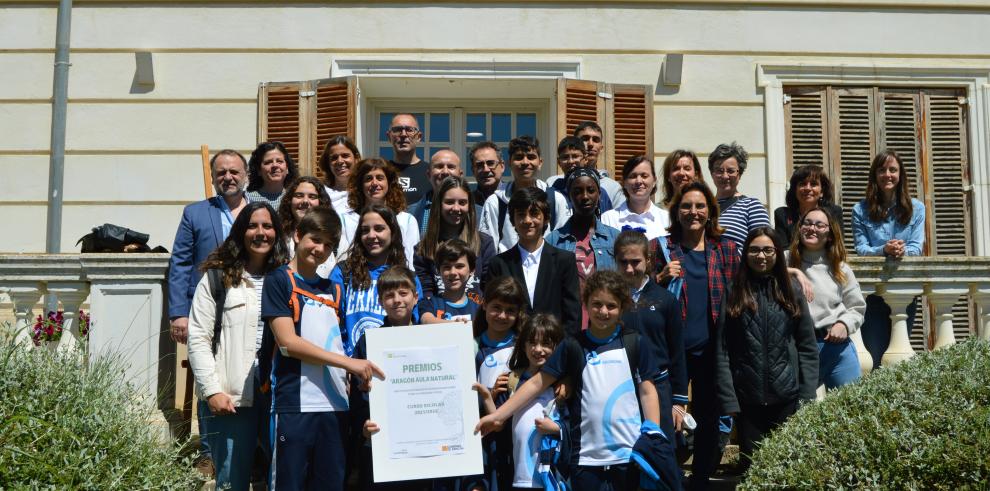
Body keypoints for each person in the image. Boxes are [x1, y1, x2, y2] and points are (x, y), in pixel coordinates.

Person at [475, 271, 662, 491]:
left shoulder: (634, 343)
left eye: (611, 306)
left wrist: (653, 436)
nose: (603, 311)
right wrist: (498, 415)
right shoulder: (573, 345)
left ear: (622, 307)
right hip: (584, 457)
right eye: (597, 304)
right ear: (585, 304)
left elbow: (648, 392)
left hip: (628, 453)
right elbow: (537, 383)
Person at [261, 207, 383, 491]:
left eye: (328, 244)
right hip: (294, 404)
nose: (320, 249)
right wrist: (348, 363)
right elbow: (288, 343)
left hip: (336, 406)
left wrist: (357, 374)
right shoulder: (279, 280)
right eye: (315, 239)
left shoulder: (335, 288)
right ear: (297, 235)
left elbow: (338, 341)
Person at [187, 202, 289, 491]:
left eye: (267, 226)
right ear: (240, 232)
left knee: (280, 476)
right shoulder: (218, 277)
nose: (260, 233)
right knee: (232, 478)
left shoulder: (286, 276)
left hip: (278, 392)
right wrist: (212, 390)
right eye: (253, 226)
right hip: (230, 395)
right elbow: (198, 337)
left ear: (277, 232)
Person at [168, 148, 250, 474]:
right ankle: (209, 451)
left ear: (246, 176)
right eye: (221, 173)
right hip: (207, 309)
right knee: (208, 377)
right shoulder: (195, 213)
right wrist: (178, 312)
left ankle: (248, 448)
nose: (228, 177)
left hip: (249, 307)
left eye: (234, 172)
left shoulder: (258, 211)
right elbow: (180, 264)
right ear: (214, 178)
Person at [654, 180, 739, 489]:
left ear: (710, 211)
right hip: (672, 349)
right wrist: (659, 277)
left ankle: (701, 478)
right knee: (668, 417)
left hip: (711, 349)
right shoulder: (661, 247)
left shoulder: (725, 248)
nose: (693, 212)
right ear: (677, 211)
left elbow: (742, 293)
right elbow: (640, 293)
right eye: (687, 206)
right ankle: (672, 475)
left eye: (700, 206)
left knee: (708, 417)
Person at [715, 227, 818, 471]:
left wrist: (806, 394)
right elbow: (722, 349)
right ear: (746, 253)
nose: (761, 256)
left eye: (768, 250)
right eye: (755, 250)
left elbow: (807, 346)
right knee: (753, 469)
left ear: (777, 253)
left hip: (787, 399)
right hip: (747, 400)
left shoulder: (791, 290)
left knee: (788, 468)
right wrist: (729, 399)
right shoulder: (733, 291)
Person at [351, 266, 433, 491]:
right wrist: (362, 425)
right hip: (381, 443)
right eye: (389, 295)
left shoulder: (432, 340)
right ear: (380, 301)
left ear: (416, 297)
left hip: (426, 446)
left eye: (403, 293)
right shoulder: (369, 342)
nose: (397, 300)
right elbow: (357, 393)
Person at [852, 149, 926, 368]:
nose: (888, 175)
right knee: (874, 356)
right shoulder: (860, 209)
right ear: (875, 175)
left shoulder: (917, 208)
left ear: (901, 175)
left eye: (893, 170)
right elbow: (861, 249)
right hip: (872, 294)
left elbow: (916, 246)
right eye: (882, 170)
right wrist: (883, 250)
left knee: (899, 357)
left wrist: (902, 251)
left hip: (904, 291)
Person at [474, 313, 566, 490]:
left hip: (553, 478)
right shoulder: (512, 380)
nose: (538, 349)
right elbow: (499, 424)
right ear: (523, 345)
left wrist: (556, 428)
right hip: (519, 478)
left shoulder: (563, 384)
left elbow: (575, 425)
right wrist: (487, 397)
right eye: (532, 342)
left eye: (546, 344)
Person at [614, 230, 688, 439]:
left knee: (659, 451)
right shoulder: (610, 302)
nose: (629, 269)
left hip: (660, 387)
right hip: (620, 388)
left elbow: (677, 352)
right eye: (623, 262)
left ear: (648, 260)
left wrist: (679, 401)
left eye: (635, 262)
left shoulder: (665, 300)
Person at [485, 186, 582, 336]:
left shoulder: (564, 261)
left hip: (554, 348)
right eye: (521, 215)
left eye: (534, 214)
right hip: (510, 349)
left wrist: (561, 350)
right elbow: (494, 312)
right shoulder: (499, 264)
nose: (527, 220)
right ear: (513, 220)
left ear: (546, 218)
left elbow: (573, 315)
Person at [330, 205, 424, 356]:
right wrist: (347, 362)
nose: (371, 235)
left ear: (392, 233)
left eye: (379, 229)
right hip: (353, 365)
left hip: (399, 362)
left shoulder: (409, 278)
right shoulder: (343, 273)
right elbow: (333, 324)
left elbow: (418, 325)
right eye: (365, 230)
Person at [788, 207, 866, 389]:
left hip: (835, 348)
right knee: (795, 412)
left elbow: (857, 308)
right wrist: (793, 271)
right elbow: (756, 272)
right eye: (807, 223)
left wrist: (844, 324)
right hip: (798, 349)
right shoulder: (784, 260)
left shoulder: (841, 268)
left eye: (819, 225)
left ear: (830, 234)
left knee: (852, 408)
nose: (811, 228)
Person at [465, 275, 528, 491]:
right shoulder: (471, 346)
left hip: (518, 435)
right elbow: (462, 396)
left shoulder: (525, 345)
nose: (502, 315)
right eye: (496, 308)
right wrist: (489, 396)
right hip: (485, 438)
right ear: (484, 305)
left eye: (510, 310)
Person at [547, 167, 620, 329]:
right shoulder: (553, 240)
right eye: (578, 191)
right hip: (567, 325)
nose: (585, 196)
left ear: (599, 194)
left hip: (606, 324)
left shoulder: (615, 238)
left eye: (591, 190)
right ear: (569, 196)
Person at [479, 136, 571, 252]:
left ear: (540, 163)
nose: (525, 162)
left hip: (548, 268)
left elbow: (563, 243)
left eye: (531, 157)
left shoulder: (556, 199)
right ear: (509, 163)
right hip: (507, 268)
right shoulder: (495, 202)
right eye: (519, 157)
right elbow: (488, 247)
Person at [414, 176, 495, 299]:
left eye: (462, 202)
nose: (456, 208)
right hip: (438, 316)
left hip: (475, 316)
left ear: (469, 206)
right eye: (449, 202)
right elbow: (425, 293)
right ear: (438, 205)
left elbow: (490, 289)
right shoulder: (423, 247)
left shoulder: (484, 243)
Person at [341, 158, 420, 268]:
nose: (374, 183)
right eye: (368, 179)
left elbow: (411, 263)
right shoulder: (346, 220)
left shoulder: (407, 220)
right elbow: (344, 259)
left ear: (389, 183)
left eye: (380, 178)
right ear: (360, 185)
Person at [708, 142, 771, 249]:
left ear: (739, 174)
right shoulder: (702, 206)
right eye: (719, 171)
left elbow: (763, 247)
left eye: (731, 171)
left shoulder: (752, 206)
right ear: (712, 174)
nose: (725, 176)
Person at [276, 176, 340, 277]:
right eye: (299, 195)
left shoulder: (332, 238)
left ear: (321, 202)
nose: (305, 201)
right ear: (289, 201)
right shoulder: (277, 236)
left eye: (312, 197)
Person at [774, 165, 844, 248]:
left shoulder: (834, 213)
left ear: (822, 191)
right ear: (794, 190)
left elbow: (837, 246)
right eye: (802, 184)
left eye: (813, 184)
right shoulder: (782, 214)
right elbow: (783, 249)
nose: (807, 188)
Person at [602, 155, 667, 240]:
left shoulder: (666, 219)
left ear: (654, 181)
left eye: (644, 176)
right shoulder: (608, 219)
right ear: (624, 182)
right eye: (633, 176)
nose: (639, 181)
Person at [547, 136, 616, 214]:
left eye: (575, 156)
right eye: (565, 157)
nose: (570, 161)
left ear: (585, 159)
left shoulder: (600, 193)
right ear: (559, 162)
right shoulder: (552, 193)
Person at [417, 239, 481, 323]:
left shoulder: (480, 306)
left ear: (472, 270)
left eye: (459, 266)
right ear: (439, 271)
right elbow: (426, 320)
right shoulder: (429, 303)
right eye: (447, 267)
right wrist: (455, 326)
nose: (453, 272)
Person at [572, 121, 626, 208]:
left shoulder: (613, 188)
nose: (590, 144)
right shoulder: (555, 183)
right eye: (585, 139)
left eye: (596, 140)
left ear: (601, 148)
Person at [409, 148, 463, 235]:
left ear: (460, 175)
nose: (445, 171)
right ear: (428, 174)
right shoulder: (410, 213)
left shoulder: (477, 212)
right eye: (439, 166)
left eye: (451, 167)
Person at [385, 113, 431, 205]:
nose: (403, 134)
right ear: (389, 136)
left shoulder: (431, 173)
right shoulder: (381, 172)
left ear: (419, 137)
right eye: (397, 130)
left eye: (409, 130)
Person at [246, 141, 299, 209]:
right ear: (259, 170)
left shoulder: (295, 198)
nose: (275, 165)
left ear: (287, 168)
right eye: (268, 162)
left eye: (279, 161)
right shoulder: (247, 199)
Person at [318, 135, 361, 214]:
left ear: (356, 158)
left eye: (345, 156)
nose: (340, 161)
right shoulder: (320, 193)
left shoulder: (365, 192)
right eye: (334, 158)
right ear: (328, 163)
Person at [469, 141, 506, 217]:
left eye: (490, 163)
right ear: (473, 170)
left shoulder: (514, 197)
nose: (486, 169)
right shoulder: (467, 202)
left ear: (502, 166)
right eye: (479, 165)